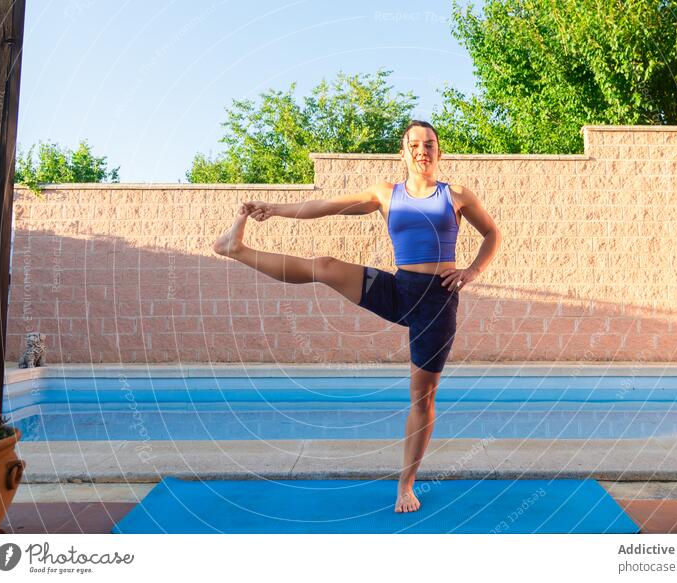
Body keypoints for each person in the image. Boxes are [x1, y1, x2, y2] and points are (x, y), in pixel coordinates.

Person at [212, 119, 502, 512]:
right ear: (403, 152)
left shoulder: (456, 195)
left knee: (422, 397)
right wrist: (275, 209)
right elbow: (326, 206)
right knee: (326, 266)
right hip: (399, 289)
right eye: (414, 144)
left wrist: (472, 271)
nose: (422, 150)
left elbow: (492, 234)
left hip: (437, 300)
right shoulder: (386, 194)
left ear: (440, 152)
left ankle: (406, 485)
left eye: (430, 144)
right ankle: (236, 249)